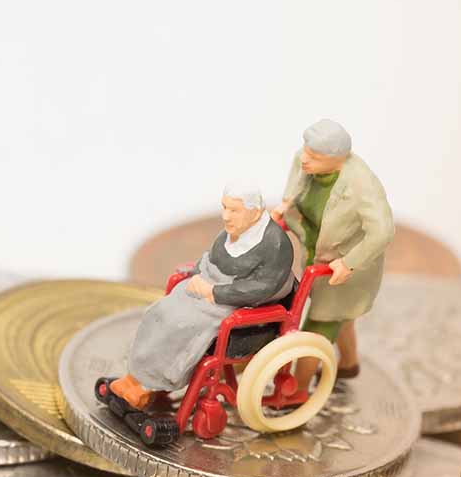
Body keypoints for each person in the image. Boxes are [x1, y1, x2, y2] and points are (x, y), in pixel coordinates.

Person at [107, 182, 295, 411]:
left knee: (181, 324)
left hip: (239, 304)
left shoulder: (275, 245)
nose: (226, 216)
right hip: (207, 286)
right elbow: (211, 258)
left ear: (255, 212)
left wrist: (213, 292)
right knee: (159, 312)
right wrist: (197, 274)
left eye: (234, 210)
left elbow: (263, 287)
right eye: (224, 208)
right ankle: (135, 377)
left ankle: (149, 385)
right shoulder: (232, 231)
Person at [271, 119, 393, 401]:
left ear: (338, 158)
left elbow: (383, 231)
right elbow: (296, 179)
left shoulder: (362, 185)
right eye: (306, 150)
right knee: (343, 318)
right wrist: (286, 206)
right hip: (314, 252)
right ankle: (349, 364)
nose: (305, 158)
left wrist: (348, 263)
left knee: (317, 329)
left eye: (314, 156)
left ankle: (298, 392)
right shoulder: (305, 160)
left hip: (344, 269)